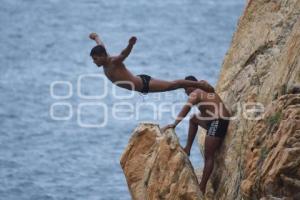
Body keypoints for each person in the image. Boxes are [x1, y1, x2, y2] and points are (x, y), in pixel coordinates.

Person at [162, 75, 230, 195]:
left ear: (191, 85)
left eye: (185, 88)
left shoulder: (197, 92)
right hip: (214, 120)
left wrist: (174, 124)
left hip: (218, 121)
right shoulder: (202, 88)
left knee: (209, 156)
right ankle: (188, 148)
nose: (185, 92)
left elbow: (186, 108)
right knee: (194, 119)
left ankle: (202, 186)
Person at [89, 33, 214, 94]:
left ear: (102, 56)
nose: (94, 62)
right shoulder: (105, 59)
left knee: (173, 85)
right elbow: (101, 45)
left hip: (144, 84)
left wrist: (130, 45)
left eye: (95, 59)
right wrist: (96, 37)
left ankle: (200, 85)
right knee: (174, 85)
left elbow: (123, 54)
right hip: (141, 82)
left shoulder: (113, 62)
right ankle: (197, 85)